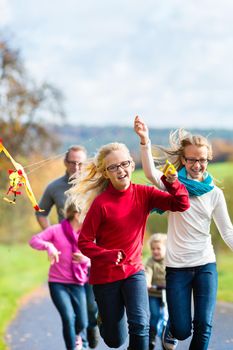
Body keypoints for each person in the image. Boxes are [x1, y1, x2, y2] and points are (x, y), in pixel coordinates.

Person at [67, 141, 190, 350]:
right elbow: (84, 242)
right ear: (106, 173)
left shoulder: (144, 194)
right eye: (113, 167)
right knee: (115, 341)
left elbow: (181, 204)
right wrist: (106, 255)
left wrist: (173, 183)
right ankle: (103, 320)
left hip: (134, 271)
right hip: (105, 276)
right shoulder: (101, 204)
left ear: (132, 165)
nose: (120, 170)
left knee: (141, 324)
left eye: (124, 164)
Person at [134, 115, 233, 350]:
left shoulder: (214, 194)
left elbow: (227, 231)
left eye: (203, 160)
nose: (198, 165)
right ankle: (171, 329)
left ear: (208, 159)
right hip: (177, 267)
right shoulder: (173, 185)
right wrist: (145, 141)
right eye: (192, 160)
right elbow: (149, 174)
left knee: (204, 326)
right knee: (181, 329)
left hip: (205, 264)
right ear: (183, 159)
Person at [35, 145, 99, 349]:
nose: (76, 167)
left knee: (91, 304)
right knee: (77, 306)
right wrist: (52, 236)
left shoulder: (94, 186)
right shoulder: (54, 187)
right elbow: (41, 212)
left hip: (93, 251)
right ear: (65, 162)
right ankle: (83, 339)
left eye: (80, 163)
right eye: (72, 162)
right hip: (69, 254)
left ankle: (91, 326)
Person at [29, 201, 90, 350]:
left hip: (78, 283)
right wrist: (49, 246)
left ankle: (77, 337)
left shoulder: (88, 233)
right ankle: (72, 347)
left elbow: (97, 256)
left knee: (82, 322)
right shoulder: (56, 230)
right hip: (58, 283)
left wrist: (86, 259)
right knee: (68, 317)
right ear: (76, 214)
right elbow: (34, 240)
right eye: (86, 213)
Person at [145, 233, 168, 350]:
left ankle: (167, 338)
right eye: (153, 249)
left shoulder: (169, 260)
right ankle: (151, 338)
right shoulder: (150, 262)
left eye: (158, 248)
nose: (155, 251)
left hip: (167, 294)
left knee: (167, 317)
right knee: (154, 316)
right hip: (153, 293)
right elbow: (147, 272)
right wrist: (147, 283)